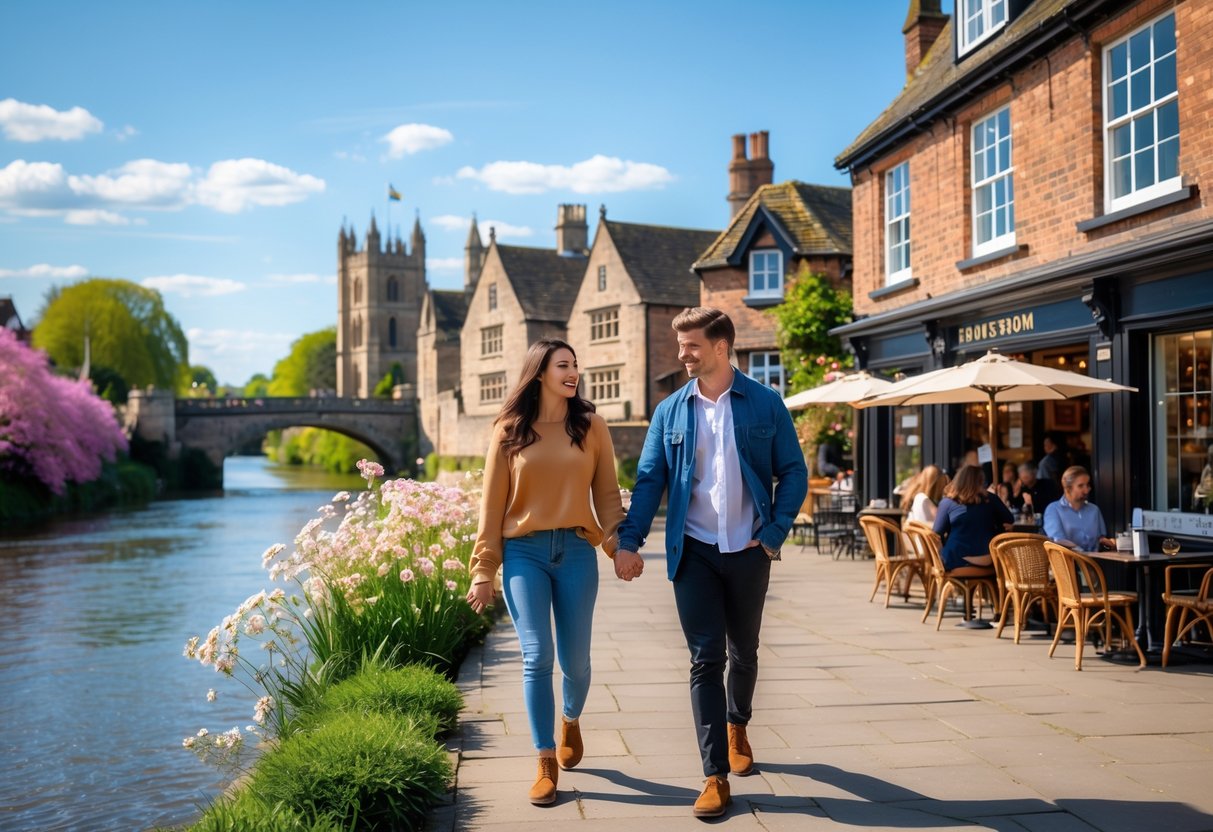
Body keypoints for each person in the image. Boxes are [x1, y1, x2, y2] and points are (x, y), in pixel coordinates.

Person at [613, 307, 807, 819]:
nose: (682, 354)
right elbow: (650, 480)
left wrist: (772, 534)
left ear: (721, 347)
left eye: (692, 345)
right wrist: (627, 542)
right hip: (693, 552)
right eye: (681, 345)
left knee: (744, 650)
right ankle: (714, 775)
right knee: (705, 659)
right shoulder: (670, 411)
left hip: (748, 552)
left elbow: (794, 473)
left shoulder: (766, 404)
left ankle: (736, 722)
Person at [465, 338, 628, 806]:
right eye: (563, 364)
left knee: (575, 662)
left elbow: (609, 498)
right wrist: (484, 570)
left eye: (576, 364)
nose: (573, 371)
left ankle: (571, 719)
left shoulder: (592, 427)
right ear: (540, 372)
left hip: (577, 550)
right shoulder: (509, 430)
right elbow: (491, 507)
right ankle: (544, 761)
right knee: (537, 655)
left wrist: (619, 547)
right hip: (524, 554)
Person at [932, 464, 1014, 571]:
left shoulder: (947, 502)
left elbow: (936, 532)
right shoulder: (991, 498)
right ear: (980, 481)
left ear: (958, 480)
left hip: (954, 560)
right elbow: (1009, 519)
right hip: (987, 559)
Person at [1043, 465, 1115, 551]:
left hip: (1095, 561)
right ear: (1067, 488)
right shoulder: (1053, 509)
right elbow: (1058, 540)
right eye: (1081, 486)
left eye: (1087, 485)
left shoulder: (1094, 510)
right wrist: (1082, 553)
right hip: (1067, 561)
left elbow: (1101, 539)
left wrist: (1112, 543)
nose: (1087, 490)